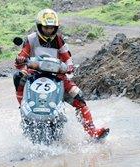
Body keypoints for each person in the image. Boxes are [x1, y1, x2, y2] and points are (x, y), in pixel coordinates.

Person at [13, 9, 109, 139]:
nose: (49, 31)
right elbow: (22, 56)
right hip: (33, 73)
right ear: (40, 26)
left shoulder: (59, 40)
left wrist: (69, 66)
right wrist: (20, 60)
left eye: (52, 28)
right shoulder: (30, 39)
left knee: (79, 97)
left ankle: (92, 131)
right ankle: (23, 106)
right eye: (46, 28)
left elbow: (67, 58)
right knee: (18, 77)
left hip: (57, 75)